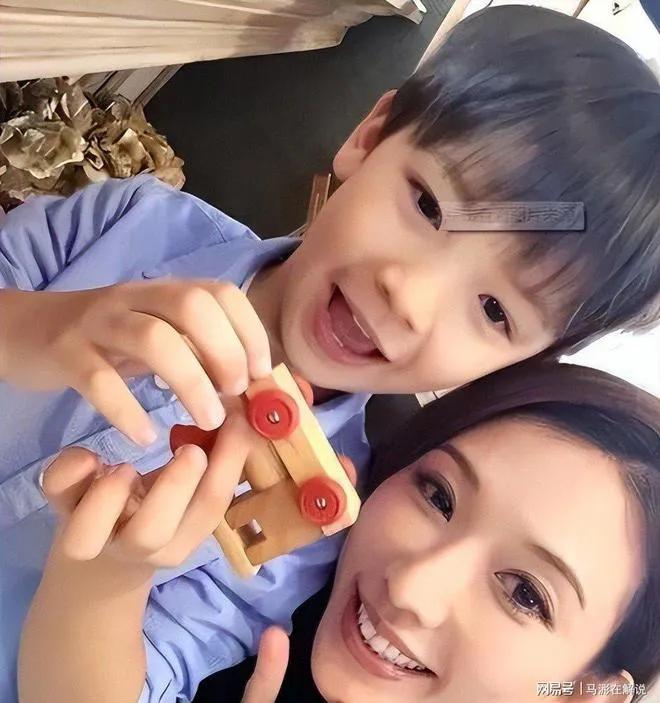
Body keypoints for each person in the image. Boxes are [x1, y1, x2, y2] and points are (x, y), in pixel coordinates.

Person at [2, 4, 660, 701]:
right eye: (429, 206)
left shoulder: (310, 529)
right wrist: (34, 328)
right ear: (370, 137)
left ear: (520, 364)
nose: (409, 295)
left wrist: (108, 580)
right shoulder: (132, 219)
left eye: (495, 310)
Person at [18, 361, 660, 703]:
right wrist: (103, 578)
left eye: (524, 593)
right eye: (438, 496)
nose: (410, 586)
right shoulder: (274, 606)